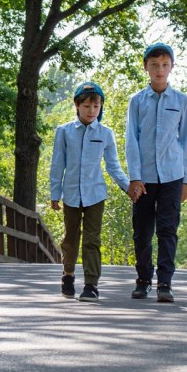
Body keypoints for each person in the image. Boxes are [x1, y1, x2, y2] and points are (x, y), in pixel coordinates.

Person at [48, 80, 132, 302]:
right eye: (86, 106)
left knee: (92, 240)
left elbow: (113, 166)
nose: (91, 111)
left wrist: (128, 187)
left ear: (101, 107)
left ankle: (91, 285)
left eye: (96, 106)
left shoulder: (106, 133)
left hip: (96, 194)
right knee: (71, 239)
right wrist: (55, 194)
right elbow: (58, 164)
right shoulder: (64, 132)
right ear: (77, 105)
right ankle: (68, 274)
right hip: (72, 195)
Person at [124, 43, 187, 303]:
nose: (160, 70)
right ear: (146, 67)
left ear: (172, 67)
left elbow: (186, 140)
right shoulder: (137, 101)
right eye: (154, 65)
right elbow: (131, 139)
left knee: (167, 230)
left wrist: (186, 179)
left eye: (165, 65)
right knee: (142, 231)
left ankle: (165, 283)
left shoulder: (181, 101)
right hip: (144, 178)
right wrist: (134, 176)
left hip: (173, 176)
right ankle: (143, 280)